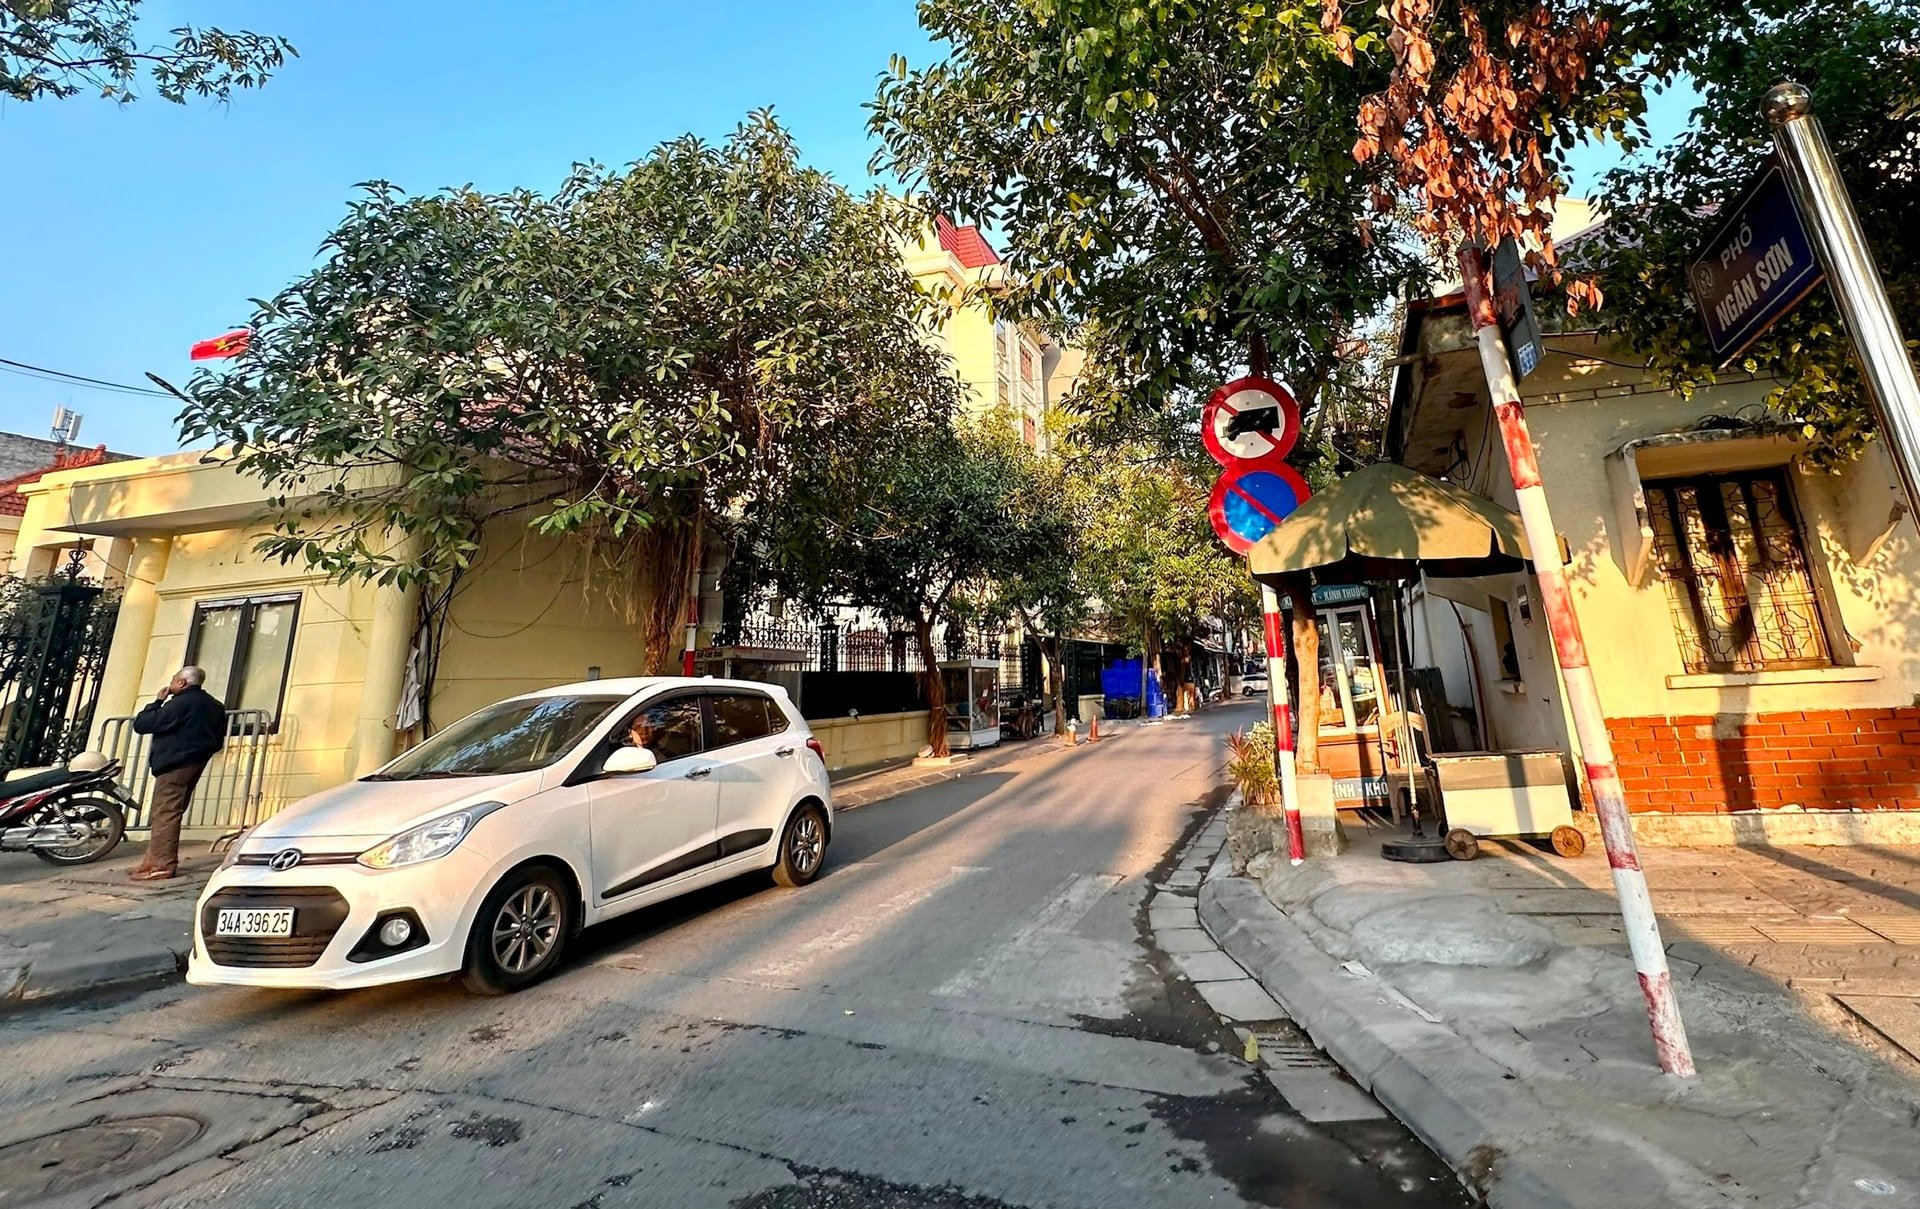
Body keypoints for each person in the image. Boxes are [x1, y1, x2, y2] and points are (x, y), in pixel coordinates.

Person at [129, 666, 227, 882]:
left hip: (174, 762)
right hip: (196, 761)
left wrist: (157, 702)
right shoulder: (214, 705)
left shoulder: (180, 703)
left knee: (165, 812)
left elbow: (144, 723)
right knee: (169, 811)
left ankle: (162, 864)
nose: (171, 684)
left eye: (174, 680)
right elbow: (218, 739)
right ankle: (151, 860)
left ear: (182, 683)